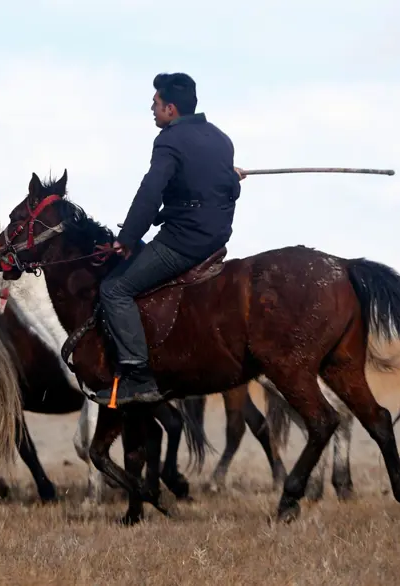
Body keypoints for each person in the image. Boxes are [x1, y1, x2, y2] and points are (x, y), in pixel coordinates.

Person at [93, 72, 244, 407]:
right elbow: (227, 191)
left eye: (156, 103)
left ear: (171, 109)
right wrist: (233, 177)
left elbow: (151, 191)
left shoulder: (169, 141)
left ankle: (137, 377)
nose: (152, 108)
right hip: (216, 235)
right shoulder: (221, 139)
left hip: (184, 241)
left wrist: (128, 238)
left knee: (114, 289)